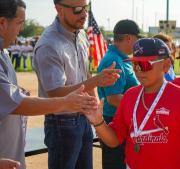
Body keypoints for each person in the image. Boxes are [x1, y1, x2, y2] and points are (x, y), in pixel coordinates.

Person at [0, 1, 119, 169]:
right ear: (59, 9)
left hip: (83, 118)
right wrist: (95, 81)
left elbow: (85, 74)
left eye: (86, 8)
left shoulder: (81, 35)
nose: (84, 14)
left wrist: (95, 118)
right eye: (78, 9)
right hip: (62, 123)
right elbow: (55, 93)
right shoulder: (49, 44)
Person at [86, 38, 180, 169]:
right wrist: (98, 121)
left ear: (166, 65)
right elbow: (114, 140)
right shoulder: (130, 96)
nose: (139, 70)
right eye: (135, 65)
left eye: (145, 65)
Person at [97, 19, 140, 169]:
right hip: (114, 123)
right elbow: (114, 99)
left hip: (123, 121)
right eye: (137, 38)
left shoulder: (122, 58)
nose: (138, 43)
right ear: (129, 38)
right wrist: (144, 105)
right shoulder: (113, 60)